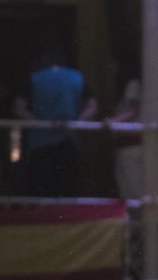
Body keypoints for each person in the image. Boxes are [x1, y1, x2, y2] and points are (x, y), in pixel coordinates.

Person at [11, 46, 98, 196]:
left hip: (40, 143)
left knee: (42, 188)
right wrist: (76, 123)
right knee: (68, 188)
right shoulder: (77, 77)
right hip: (70, 141)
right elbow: (93, 105)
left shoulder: (35, 78)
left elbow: (18, 108)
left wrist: (41, 123)